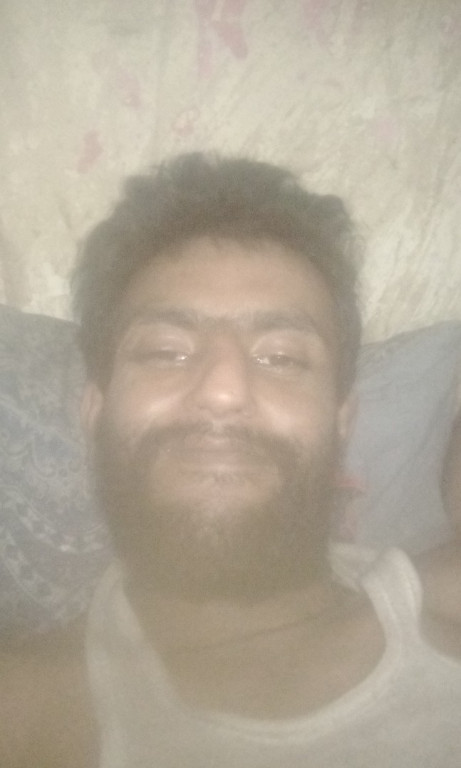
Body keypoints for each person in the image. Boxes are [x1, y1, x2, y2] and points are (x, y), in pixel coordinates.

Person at [1, 152, 461, 767]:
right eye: (166, 351)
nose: (223, 389)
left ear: (342, 421)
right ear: (93, 413)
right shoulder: (24, 708)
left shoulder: (441, 612)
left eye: (281, 358)